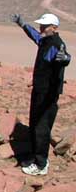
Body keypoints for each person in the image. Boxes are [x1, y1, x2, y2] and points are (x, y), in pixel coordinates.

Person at [10, 13, 70, 176]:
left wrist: (66, 58)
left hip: (48, 95)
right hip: (39, 91)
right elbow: (35, 35)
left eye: (45, 26)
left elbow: (63, 59)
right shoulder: (45, 40)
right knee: (35, 123)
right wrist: (22, 24)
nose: (41, 28)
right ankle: (36, 157)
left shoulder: (56, 44)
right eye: (41, 25)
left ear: (54, 28)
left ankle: (41, 164)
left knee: (41, 128)